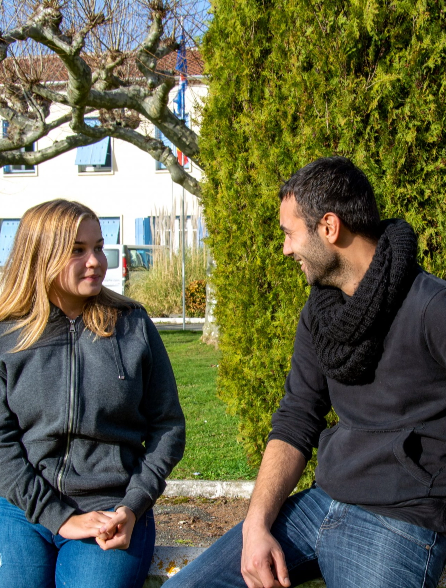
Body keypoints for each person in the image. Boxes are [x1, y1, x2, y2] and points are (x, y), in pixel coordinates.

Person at [163, 156, 446, 588]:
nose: (286, 249)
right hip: (322, 502)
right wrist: (256, 525)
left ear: (329, 228)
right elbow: (297, 418)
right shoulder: (322, 313)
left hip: (399, 519)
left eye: (289, 234)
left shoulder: (431, 306)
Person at [0, 199, 185, 588]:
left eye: (99, 246)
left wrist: (132, 506)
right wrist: (58, 517)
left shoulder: (132, 324)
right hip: (24, 507)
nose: (96, 261)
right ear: (41, 256)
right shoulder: (7, 334)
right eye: (78, 250)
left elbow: (168, 426)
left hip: (110, 510)